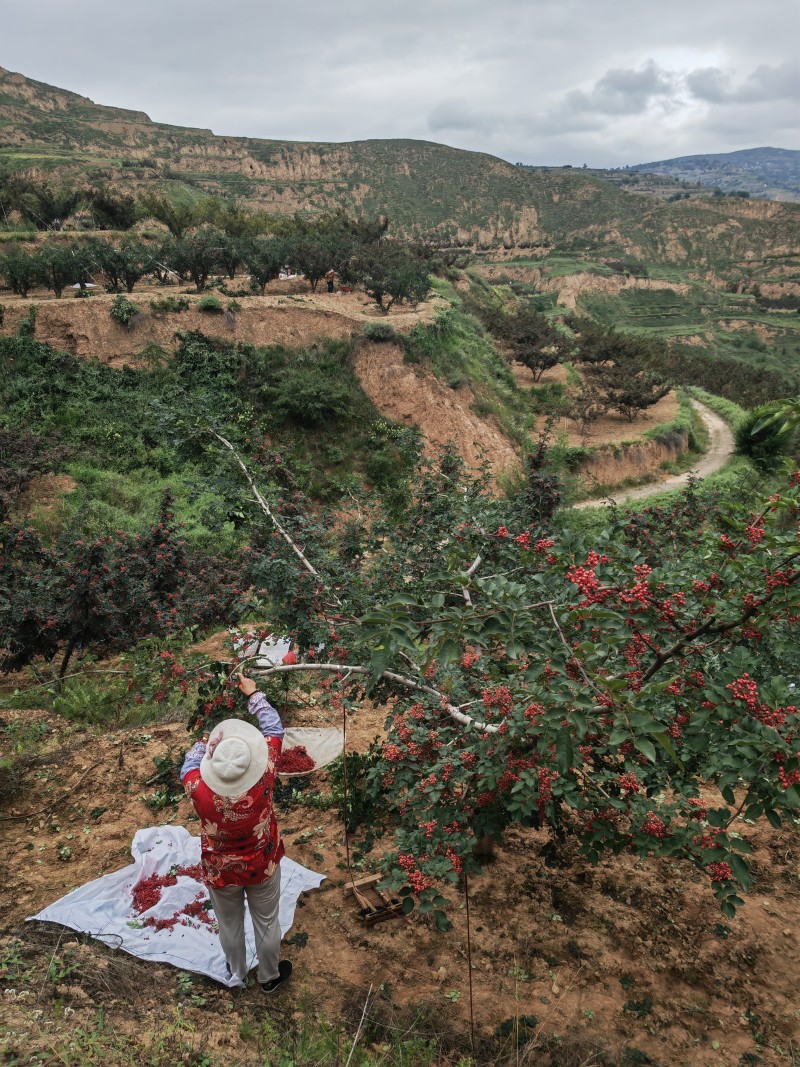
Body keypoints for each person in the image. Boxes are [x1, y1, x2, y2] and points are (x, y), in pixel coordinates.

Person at [180, 675, 291, 993]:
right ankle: (268, 977)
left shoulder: (197, 788)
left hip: (220, 868)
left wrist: (203, 743)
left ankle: (237, 971)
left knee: (228, 923)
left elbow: (187, 764)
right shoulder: (265, 773)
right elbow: (273, 729)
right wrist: (253, 693)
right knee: (267, 922)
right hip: (262, 862)